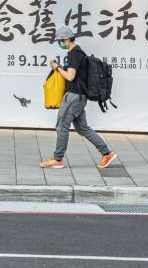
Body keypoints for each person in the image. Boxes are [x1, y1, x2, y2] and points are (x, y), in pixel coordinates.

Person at [39, 26, 117, 170]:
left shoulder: (74, 54)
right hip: (79, 96)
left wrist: (57, 67)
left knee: (62, 125)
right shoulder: (77, 52)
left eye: (60, 41)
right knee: (82, 127)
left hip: (74, 96)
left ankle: (57, 159)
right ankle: (107, 153)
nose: (59, 44)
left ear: (66, 39)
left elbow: (70, 76)